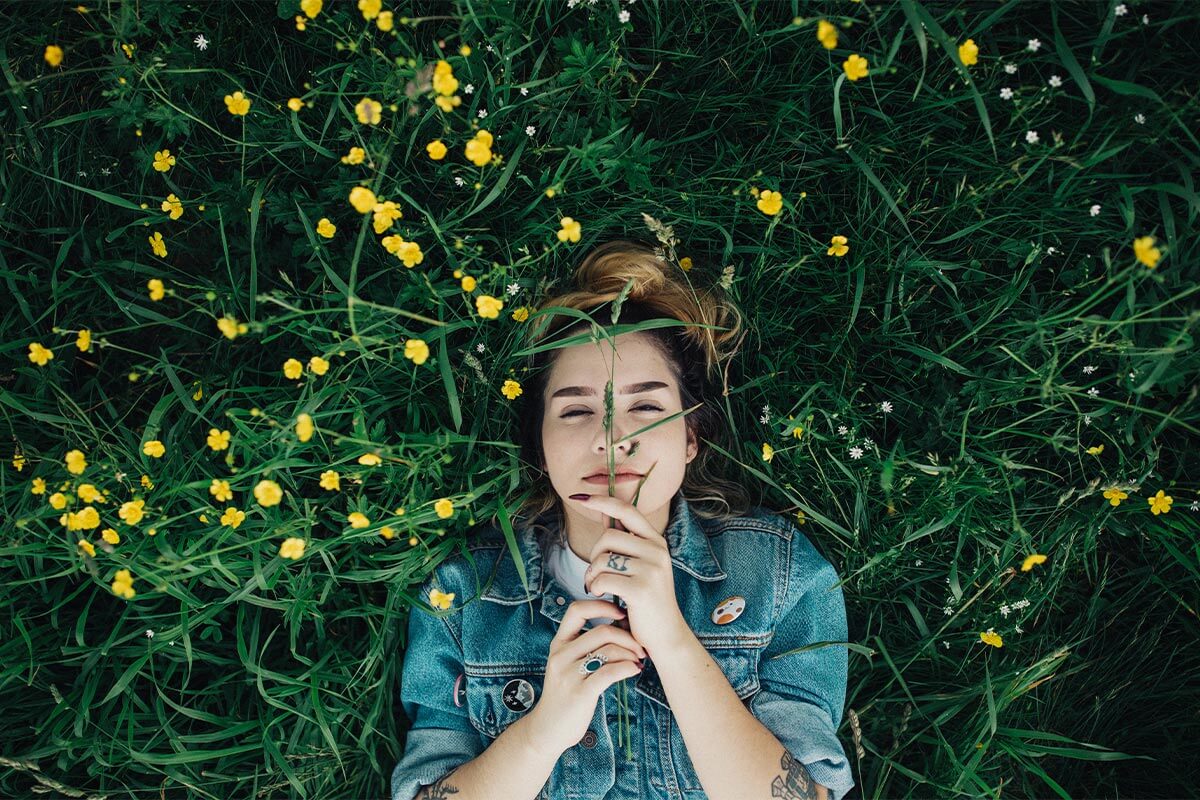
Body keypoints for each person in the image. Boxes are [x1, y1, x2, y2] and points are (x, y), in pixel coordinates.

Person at [391, 240, 854, 800]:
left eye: (646, 406)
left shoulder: (775, 572)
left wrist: (674, 641)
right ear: (540, 447)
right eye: (577, 410)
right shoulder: (465, 594)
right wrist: (542, 732)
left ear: (690, 439)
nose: (611, 441)